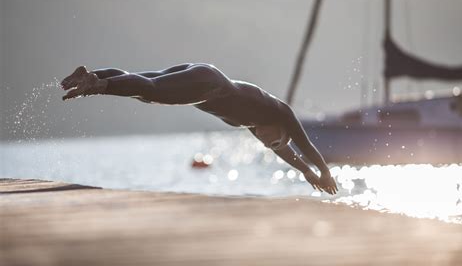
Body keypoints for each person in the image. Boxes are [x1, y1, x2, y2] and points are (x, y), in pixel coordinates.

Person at [61, 63, 338, 194]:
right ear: (279, 128)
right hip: (208, 83)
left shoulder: (256, 124)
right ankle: (97, 85)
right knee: (153, 90)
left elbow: (287, 152)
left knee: (147, 86)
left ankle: (91, 77)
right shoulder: (277, 111)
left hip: (203, 79)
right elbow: (303, 145)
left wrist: (305, 172)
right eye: (276, 142)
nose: (272, 145)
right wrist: (324, 172)